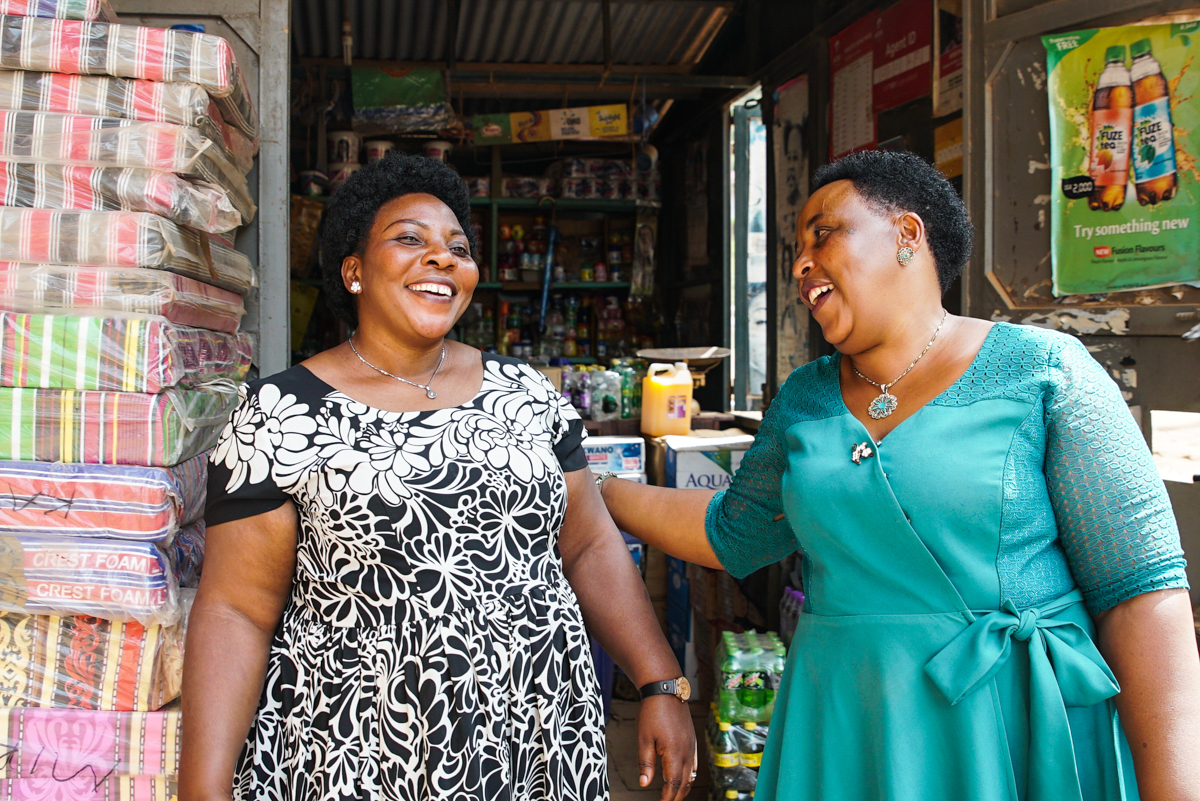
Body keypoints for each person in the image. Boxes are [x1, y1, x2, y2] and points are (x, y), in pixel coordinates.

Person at [600, 149, 1200, 801]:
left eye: (822, 234)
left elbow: (1142, 596)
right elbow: (733, 531)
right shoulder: (806, 398)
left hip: (1007, 728)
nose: (801, 264)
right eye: (795, 250)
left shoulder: (1045, 370)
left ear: (907, 235)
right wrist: (595, 490)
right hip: (849, 725)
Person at [181, 152, 696, 801]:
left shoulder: (525, 393)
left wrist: (660, 681)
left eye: (457, 246)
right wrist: (204, 786)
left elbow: (589, 542)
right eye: (409, 239)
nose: (442, 257)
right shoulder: (281, 414)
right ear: (354, 271)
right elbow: (235, 610)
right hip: (360, 751)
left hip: (534, 738)